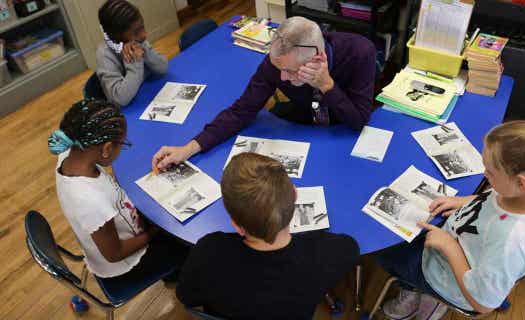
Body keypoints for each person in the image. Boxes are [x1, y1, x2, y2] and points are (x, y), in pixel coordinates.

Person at [377, 121, 525, 319]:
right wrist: (465, 201)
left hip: (450, 279)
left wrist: (449, 247)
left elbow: (483, 303)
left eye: (490, 172)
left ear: (521, 183)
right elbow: (495, 198)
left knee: (384, 253)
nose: (484, 174)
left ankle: (425, 297)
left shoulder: (512, 242)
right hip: (459, 241)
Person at [152, 16, 376, 170]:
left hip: (342, 132)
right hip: (302, 125)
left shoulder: (359, 52)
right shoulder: (277, 64)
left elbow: (358, 121)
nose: (282, 79)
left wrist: (327, 85)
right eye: (279, 69)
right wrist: (188, 149)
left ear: (317, 59)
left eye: (290, 71)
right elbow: (241, 111)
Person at [176, 152, 359, 319]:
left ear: (237, 225)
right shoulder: (323, 255)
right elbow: (351, 246)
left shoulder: (209, 251)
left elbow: (186, 296)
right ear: (295, 195)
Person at [49, 99, 185, 281]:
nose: (123, 147)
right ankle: (173, 274)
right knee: (186, 246)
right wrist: (154, 232)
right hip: (126, 265)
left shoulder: (70, 155)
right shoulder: (91, 202)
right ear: (106, 149)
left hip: (126, 225)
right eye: (123, 143)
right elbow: (115, 254)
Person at [97, 0, 168, 107]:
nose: (144, 35)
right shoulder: (104, 55)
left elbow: (163, 68)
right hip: (131, 111)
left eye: (142, 27)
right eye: (136, 32)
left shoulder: (138, 40)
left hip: (147, 94)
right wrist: (135, 62)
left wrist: (145, 50)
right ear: (116, 38)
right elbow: (119, 99)